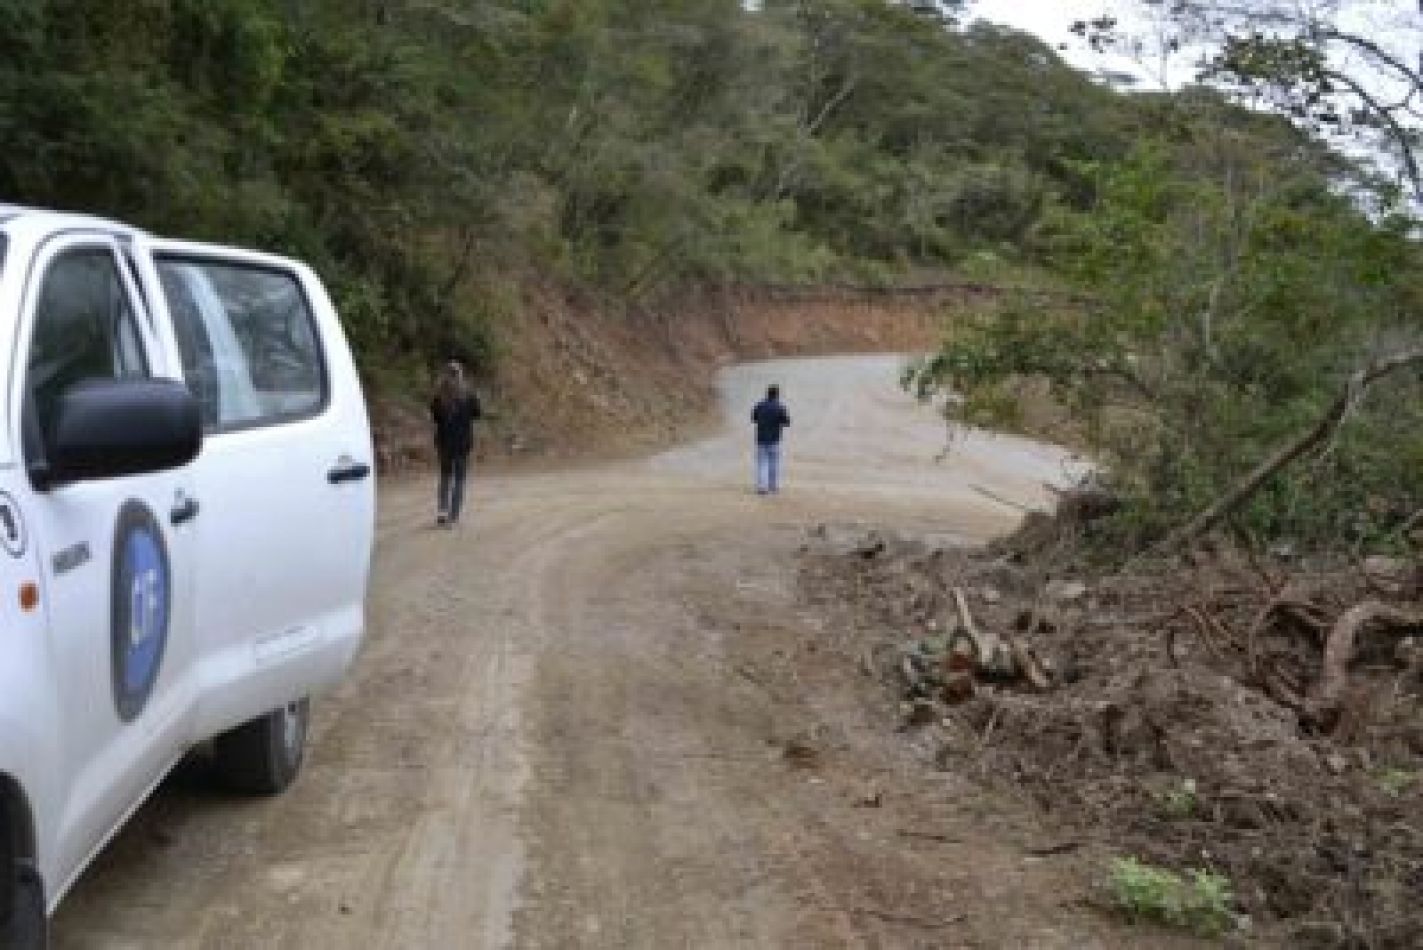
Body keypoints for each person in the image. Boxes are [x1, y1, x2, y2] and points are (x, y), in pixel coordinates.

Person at [430, 360, 482, 526]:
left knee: (445, 476)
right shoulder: (469, 394)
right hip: (462, 443)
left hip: (444, 442)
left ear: (446, 374)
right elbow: (477, 414)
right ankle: (453, 516)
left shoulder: (439, 396)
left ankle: (442, 512)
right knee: (459, 479)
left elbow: (435, 417)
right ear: (460, 374)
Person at [751, 383, 790, 495]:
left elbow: (753, 419)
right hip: (775, 439)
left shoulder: (759, 405)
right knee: (774, 463)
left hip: (761, 438)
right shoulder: (780, 407)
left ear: (767, 394)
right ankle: (773, 486)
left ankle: (762, 487)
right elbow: (786, 422)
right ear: (777, 395)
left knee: (762, 463)